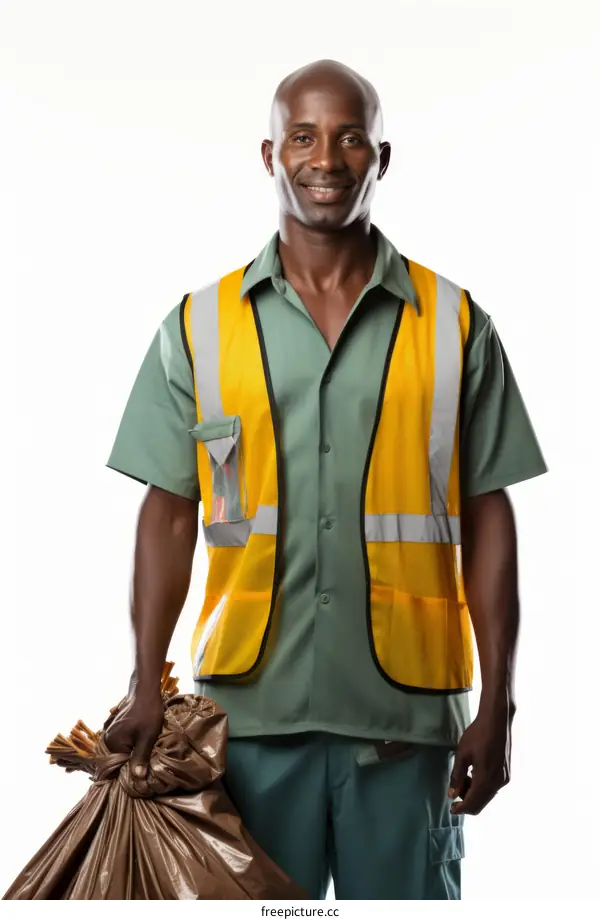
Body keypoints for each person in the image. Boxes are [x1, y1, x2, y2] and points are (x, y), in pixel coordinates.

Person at [104, 58, 547, 900]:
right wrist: (144, 679)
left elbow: (491, 517)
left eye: (350, 137)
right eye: (302, 136)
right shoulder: (198, 327)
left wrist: (500, 703)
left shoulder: (455, 325)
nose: (326, 159)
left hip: (405, 717)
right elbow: (167, 514)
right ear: (269, 155)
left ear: (382, 158)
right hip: (251, 714)